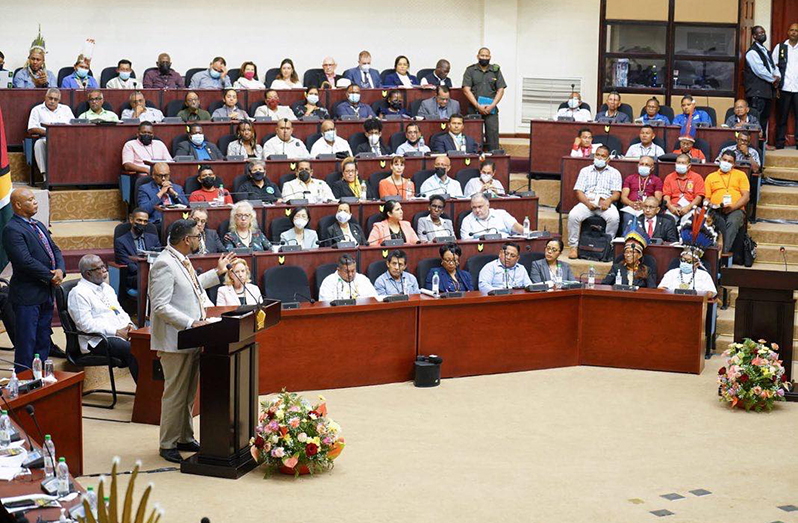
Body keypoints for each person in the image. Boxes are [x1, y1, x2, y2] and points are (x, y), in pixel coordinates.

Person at [148, 219, 234, 463]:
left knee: (187, 393)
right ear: (187, 240)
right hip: (176, 340)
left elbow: (192, 287)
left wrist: (218, 272)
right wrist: (190, 323)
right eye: (197, 236)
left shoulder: (181, 260)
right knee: (175, 393)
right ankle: (167, 443)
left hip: (191, 338)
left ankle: (184, 436)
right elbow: (161, 306)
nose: (200, 240)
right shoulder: (164, 264)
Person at [2, 188, 65, 372]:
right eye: (30, 200)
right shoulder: (12, 230)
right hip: (27, 295)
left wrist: (60, 269)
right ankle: (23, 385)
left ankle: (40, 379)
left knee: (43, 339)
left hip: (45, 292)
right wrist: (50, 275)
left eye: (34, 199)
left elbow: (55, 250)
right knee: (27, 343)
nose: (35, 202)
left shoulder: (37, 224)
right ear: (18, 205)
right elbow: (24, 261)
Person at [68, 254, 139, 382]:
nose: (104, 270)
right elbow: (86, 325)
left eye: (103, 266)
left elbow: (119, 311)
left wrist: (129, 325)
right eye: (99, 268)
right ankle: (145, 394)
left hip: (119, 333)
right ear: (88, 274)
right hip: (97, 340)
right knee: (134, 350)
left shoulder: (107, 288)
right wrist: (116, 332)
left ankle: (152, 390)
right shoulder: (78, 293)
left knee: (144, 343)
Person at [566, 145, 622, 259]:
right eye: (597, 155)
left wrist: (608, 200)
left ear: (608, 159)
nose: (599, 158)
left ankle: (608, 246)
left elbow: (617, 193)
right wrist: (587, 203)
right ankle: (573, 247)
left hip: (605, 203)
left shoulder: (615, 173)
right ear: (594, 155)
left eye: (603, 156)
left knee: (614, 217)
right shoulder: (585, 171)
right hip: (588, 202)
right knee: (573, 215)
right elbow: (579, 191)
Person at [659, 213, 718, 295]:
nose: (685, 263)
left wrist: (694, 294)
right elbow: (661, 289)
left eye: (689, 261)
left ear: (697, 264)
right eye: (683, 260)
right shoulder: (671, 273)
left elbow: (710, 294)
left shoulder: (704, 275)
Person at [704, 151, 750, 253]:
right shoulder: (711, 177)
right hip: (716, 210)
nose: (726, 163)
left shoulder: (741, 175)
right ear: (720, 160)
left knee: (733, 221)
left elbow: (746, 197)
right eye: (724, 160)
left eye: (729, 161)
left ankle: (722, 253)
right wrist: (711, 205)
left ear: (734, 164)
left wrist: (732, 207)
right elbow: (706, 198)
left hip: (736, 209)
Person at [462, 47, 506, 151]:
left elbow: (501, 89)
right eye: (482, 55)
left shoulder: (495, 70)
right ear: (478, 56)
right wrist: (477, 106)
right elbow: (466, 90)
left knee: (493, 136)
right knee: (473, 135)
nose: (484, 58)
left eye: (487, 56)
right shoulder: (470, 70)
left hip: (491, 109)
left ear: (490, 57)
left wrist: (492, 105)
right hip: (474, 108)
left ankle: (493, 160)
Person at [27, 89, 75, 177]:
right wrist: (50, 133)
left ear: (59, 100)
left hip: (65, 138)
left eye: (55, 99)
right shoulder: (37, 110)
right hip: (46, 138)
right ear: (45, 98)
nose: (52, 101)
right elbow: (31, 128)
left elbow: (73, 125)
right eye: (50, 98)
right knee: (39, 144)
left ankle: (72, 175)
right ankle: (46, 176)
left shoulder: (65, 109)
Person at [745, 26, 779, 141]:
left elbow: (772, 66)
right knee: (756, 121)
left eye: (763, 32)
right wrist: (773, 79)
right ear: (754, 36)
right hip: (757, 93)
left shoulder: (765, 51)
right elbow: (760, 71)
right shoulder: (752, 52)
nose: (762, 35)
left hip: (766, 92)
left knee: (764, 120)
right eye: (759, 33)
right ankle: (755, 145)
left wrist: (777, 76)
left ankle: (762, 146)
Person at [114, 208, 161, 291]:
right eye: (139, 220)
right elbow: (127, 263)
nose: (142, 223)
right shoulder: (121, 241)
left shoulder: (153, 238)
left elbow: (159, 256)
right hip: (134, 276)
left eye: (145, 221)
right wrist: (147, 272)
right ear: (131, 219)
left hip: (154, 273)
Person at [619, 156, 662, 228]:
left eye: (647, 165)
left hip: (648, 208)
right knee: (627, 218)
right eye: (642, 164)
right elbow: (623, 197)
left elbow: (658, 200)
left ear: (652, 168)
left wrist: (644, 205)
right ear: (638, 165)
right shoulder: (630, 178)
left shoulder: (657, 180)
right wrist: (632, 204)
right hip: (631, 207)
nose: (644, 166)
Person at [774, 24, 798, 149]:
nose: (794, 32)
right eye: (792, 30)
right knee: (782, 117)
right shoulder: (780, 47)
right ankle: (780, 142)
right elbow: (773, 65)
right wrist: (778, 82)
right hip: (784, 88)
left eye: (796, 31)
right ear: (788, 32)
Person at [662, 154, 705, 223]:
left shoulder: (697, 177)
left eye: (683, 163)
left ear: (689, 166)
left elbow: (699, 197)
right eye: (678, 163)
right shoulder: (669, 177)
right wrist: (670, 207)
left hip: (691, 208)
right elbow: (666, 196)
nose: (680, 165)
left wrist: (688, 207)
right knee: (667, 221)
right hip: (673, 207)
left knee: (687, 221)